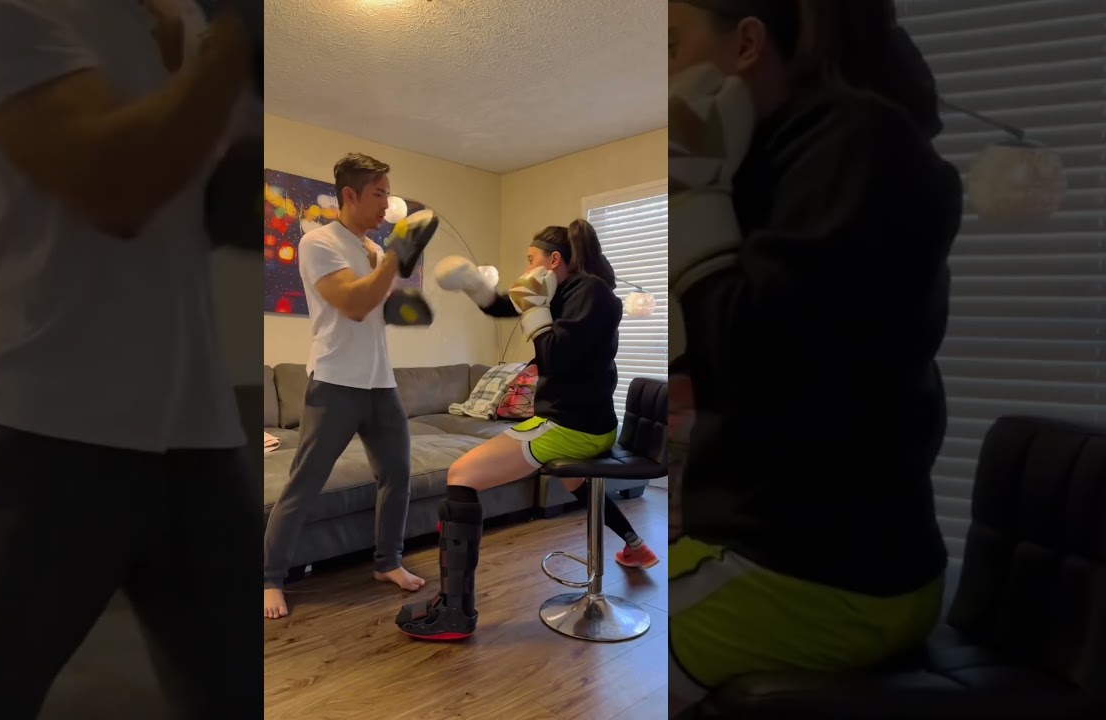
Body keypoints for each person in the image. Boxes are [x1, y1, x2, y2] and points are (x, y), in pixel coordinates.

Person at [0, 1, 258, 718]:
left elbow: (217, 208)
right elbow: (115, 186)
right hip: (52, 422)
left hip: (199, 426)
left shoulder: (185, 14)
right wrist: (241, 35)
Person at [666, 0, 962, 711]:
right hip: (801, 553)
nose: (659, 79)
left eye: (671, 47)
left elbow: (752, 355)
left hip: (820, 578)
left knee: (588, 676)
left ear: (746, 44)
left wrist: (692, 191)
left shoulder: (858, 143)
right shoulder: (777, 159)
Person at [397, 219, 657, 640]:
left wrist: (535, 310)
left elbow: (554, 357)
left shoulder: (591, 294)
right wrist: (474, 285)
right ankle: (634, 545)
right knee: (574, 480)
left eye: (530, 259)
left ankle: (456, 613)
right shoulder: (568, 291)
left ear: (553, 261)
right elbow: (507, 306)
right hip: (583, 422)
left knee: (460, 475)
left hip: (573, 425)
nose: (525, 267)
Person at [262, 153, 432, 619]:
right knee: (304, 483)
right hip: (335, 383)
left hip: (381, 383)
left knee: (397, 475)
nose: (386, 205)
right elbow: (354, 306)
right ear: (350, 195)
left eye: (388, 194)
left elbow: (379, 310)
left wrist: (402, 279)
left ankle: (388, 562)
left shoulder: (373, 250)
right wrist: (395, 255)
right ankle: (270, 577)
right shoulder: (318, 242)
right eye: (378, 194)